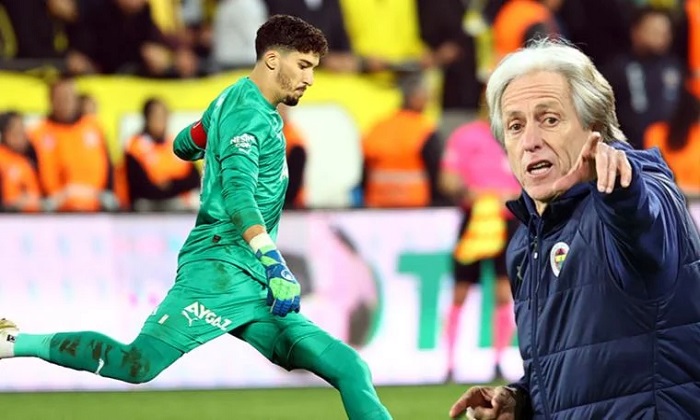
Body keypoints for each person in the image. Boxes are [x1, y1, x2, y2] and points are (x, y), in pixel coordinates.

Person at [0, 15, 392, 420]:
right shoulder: (248, 116)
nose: (310, 79)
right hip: (219, 270)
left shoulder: (232, 98)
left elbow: (184, 144)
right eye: (304, 66)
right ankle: (14, 342)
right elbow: (239, 197)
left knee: (349, 367)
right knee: (136, 363)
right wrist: (274, 261)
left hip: (251, 280)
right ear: (273, 60)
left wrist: (214, 139)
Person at [449, 38, 700, 419]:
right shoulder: (527, 241)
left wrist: (622, 188)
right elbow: (578, 365)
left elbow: (642, 223)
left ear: (594, 127)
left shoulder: (639, 189)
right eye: (515, 126)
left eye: (549, 119)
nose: (530, 141)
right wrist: (521, 401)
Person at [439, 98, 521, 382]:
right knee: (460, 291)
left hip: (508, 220)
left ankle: (498, 361)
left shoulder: (519, 135)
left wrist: (512, 195)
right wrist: (469, 191)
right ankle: (449, 363)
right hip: (475, 219)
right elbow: (447, 178)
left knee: (504, 292)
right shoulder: (465, 136)